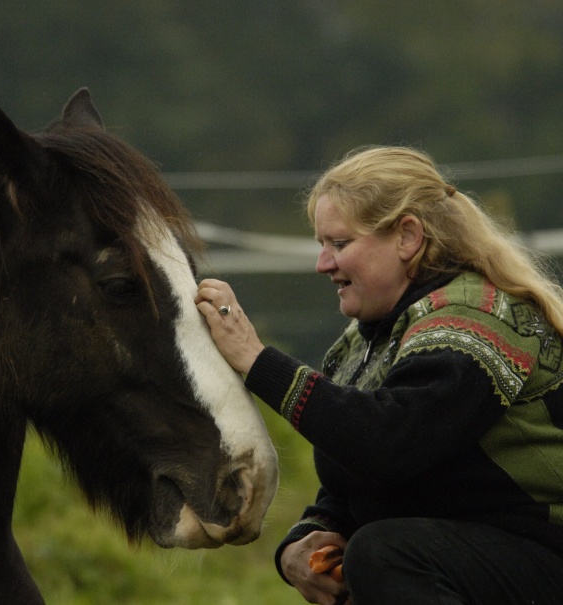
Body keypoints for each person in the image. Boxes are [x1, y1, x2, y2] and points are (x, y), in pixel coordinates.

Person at [195, 146, 563, 605]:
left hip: (547, 554)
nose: (323, 264)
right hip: (480, 561)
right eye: (320, 245)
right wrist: (302, 544)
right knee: (376, 552)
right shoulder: (360, 343)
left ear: (408, 237)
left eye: (340, 244)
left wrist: (255, 359)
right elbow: (351, 485)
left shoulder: (474, 317)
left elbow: (391, 442)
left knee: (383, 555)